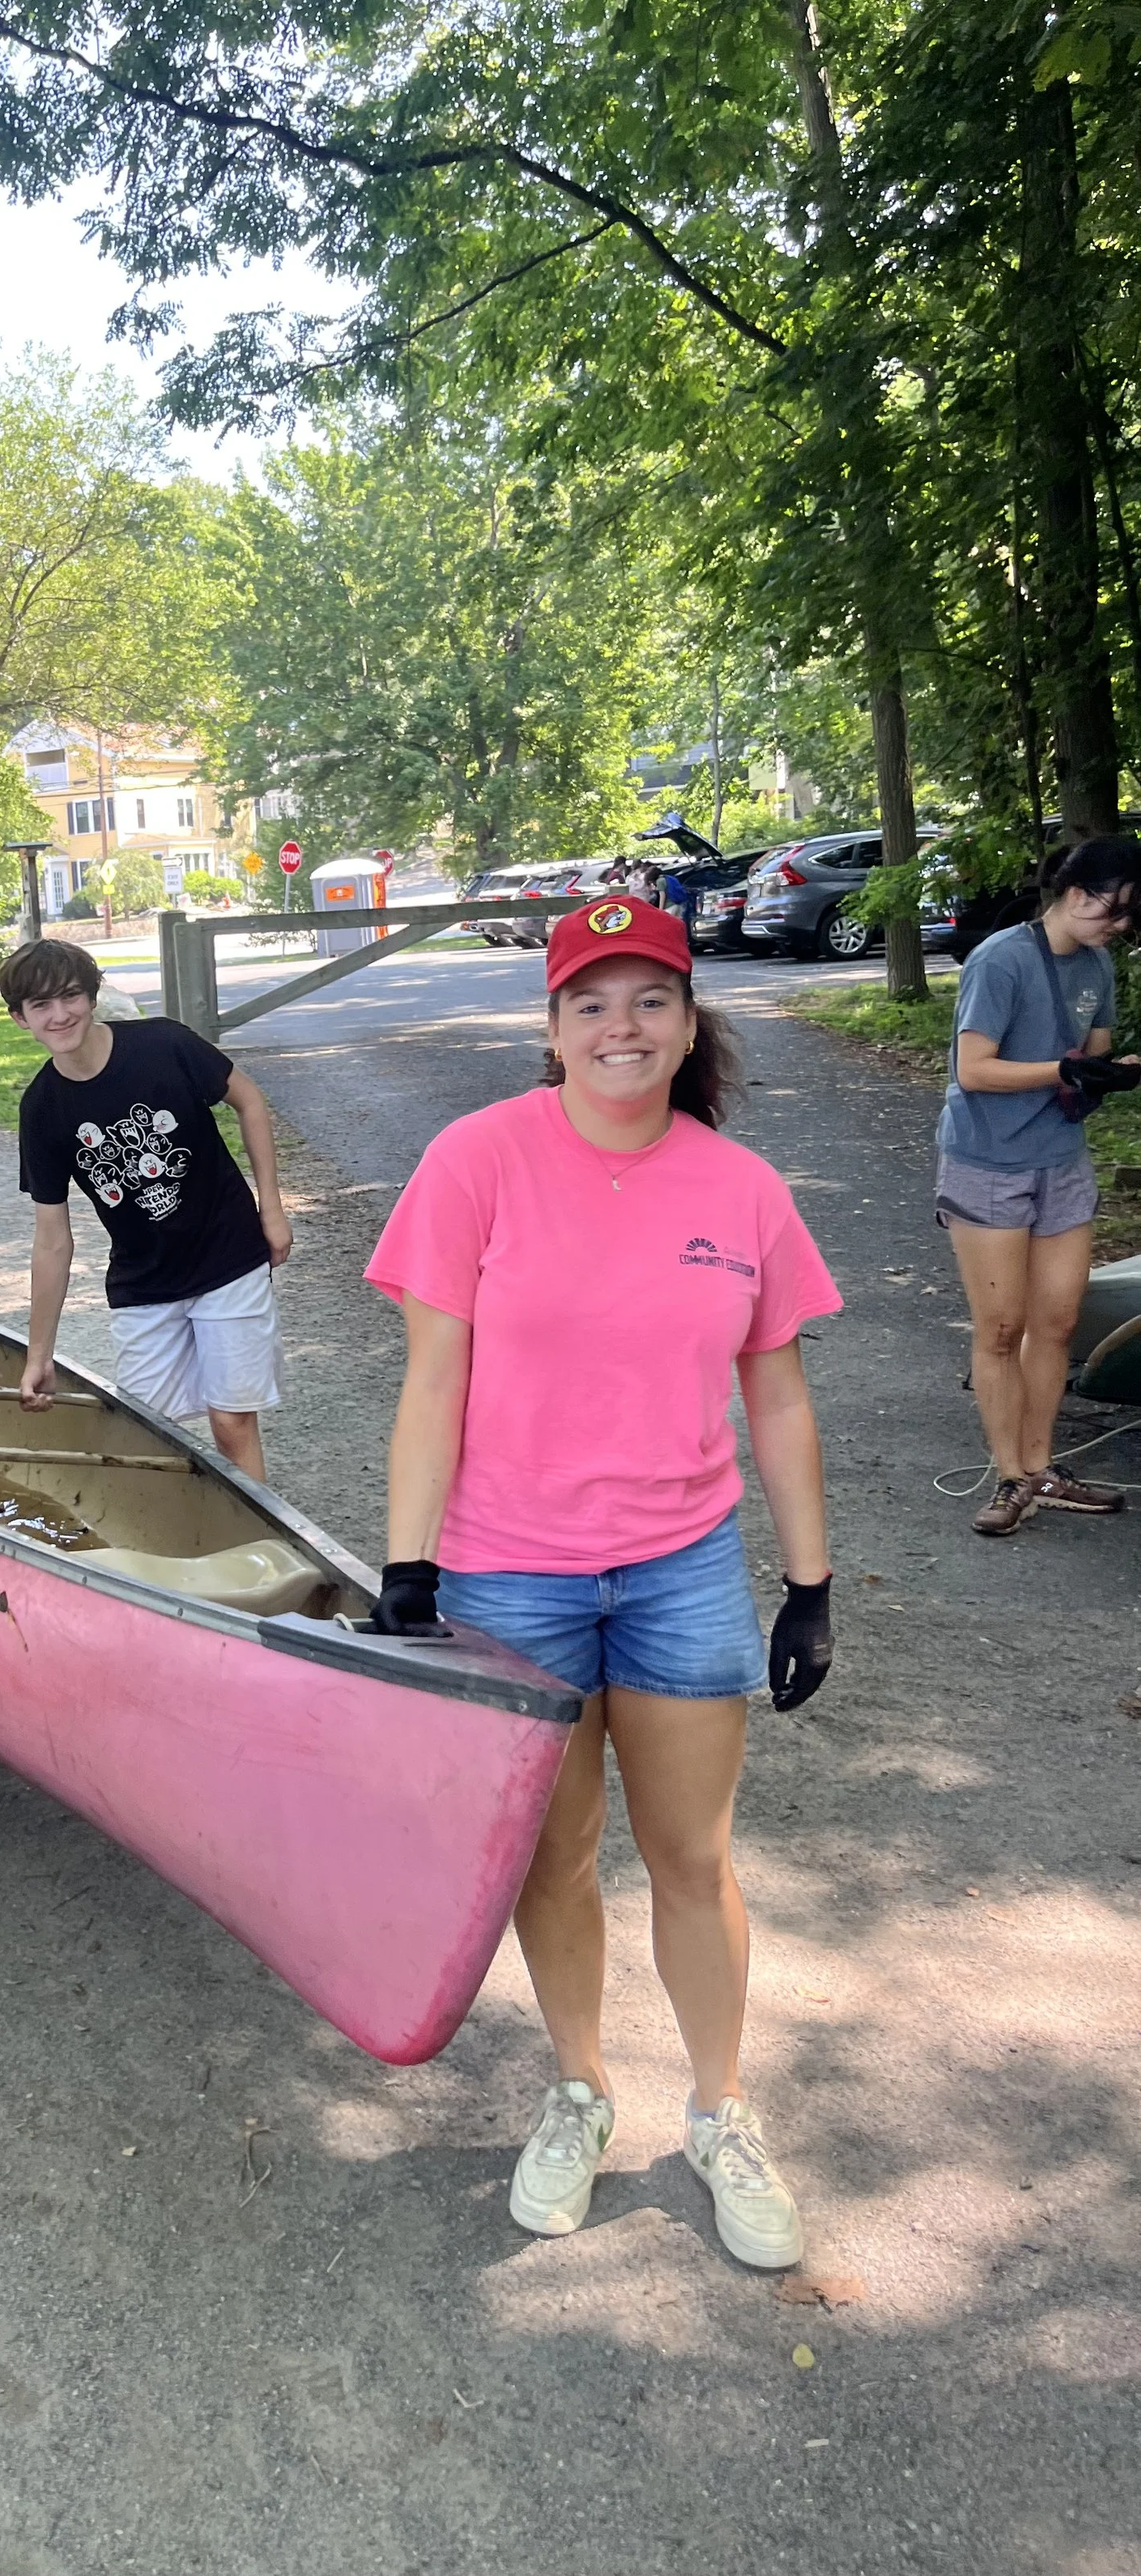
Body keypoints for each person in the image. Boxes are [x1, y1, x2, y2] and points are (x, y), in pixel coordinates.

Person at [365, 894, 841, 2269]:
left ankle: (722, 2108)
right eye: (592, 1001)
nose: (620, 1026)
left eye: (649, 1000)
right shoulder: (475, 1161)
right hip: (514, 1572)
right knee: (555, 1858)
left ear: (691, 1024)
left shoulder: (739, 1187)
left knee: (693, 1857)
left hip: (683, 1568)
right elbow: (433, 1375)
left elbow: (783, 1396)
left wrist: (808, 1583)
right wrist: (410, 1564)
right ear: (553, 1025)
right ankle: (577, 2086)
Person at [0, 937, 292, 1483]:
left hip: (226, 1252)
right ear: (20, 1018)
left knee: (230, 1419)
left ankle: (259, 1556)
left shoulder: (163, 1044)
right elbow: (52, 1238)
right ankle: (175, 1557)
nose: (60, 1015)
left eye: (69, 997)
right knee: (147, 1432)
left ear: (92, 995)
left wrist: (269, 1206)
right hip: (144, 1278)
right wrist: (40, 1352)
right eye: (41, 1005)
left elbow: (249, 1099)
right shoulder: (42, 1109)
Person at [936, 834, 1141, 1535]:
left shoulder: (1099, 964)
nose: (1120, 928)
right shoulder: (1000, 960)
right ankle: (1010, 1476)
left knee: (1056, 1321)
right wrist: (1062, 1071)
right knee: (1002, 1327)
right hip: (988, 1160)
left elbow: (1094, 1055)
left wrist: (1108, 1074)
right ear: (1079, 894)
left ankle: (1042, 1464)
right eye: (1115, 912)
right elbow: (974, 1070)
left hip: (1061, 1161)